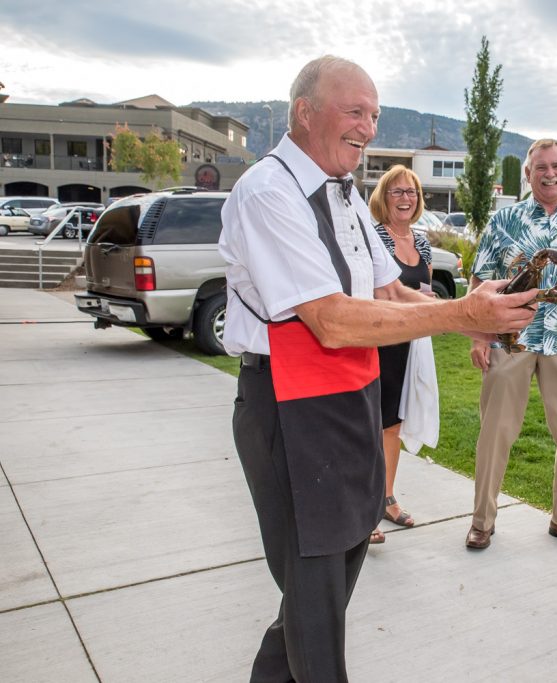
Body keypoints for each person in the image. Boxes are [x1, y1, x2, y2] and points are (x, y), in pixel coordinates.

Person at [219, 56, 537, 683]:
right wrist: (459, 314)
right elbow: (331, 319)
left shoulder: (344, 194)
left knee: (336, 574)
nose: (367, 127)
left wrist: (479, 318)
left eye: (373, 115)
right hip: (290, 402)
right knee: (315, 591)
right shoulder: (268, 191)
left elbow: (389, 291)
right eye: (354, 111)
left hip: (352, 394)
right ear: (305, 112)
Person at [465, 138, 557, 553]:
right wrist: (479, 335)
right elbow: (480, 278)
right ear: (528, 175)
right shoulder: (505, 219)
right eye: (541, 167)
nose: (550, 173)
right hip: (511, 338)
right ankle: (482, 521)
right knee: (497, 430)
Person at [366, 164, 433, 544]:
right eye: (397, 192)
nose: (406, 198)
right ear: (383, 197)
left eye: (411, 192)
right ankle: (366, 510)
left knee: (394, 425)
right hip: (379, 343)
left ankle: (387, 498)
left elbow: (421, 287)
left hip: (411, 344)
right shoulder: (375, 237)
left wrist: (427, 301)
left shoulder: (421, 241)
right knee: (371, 425)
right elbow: (373, 290)